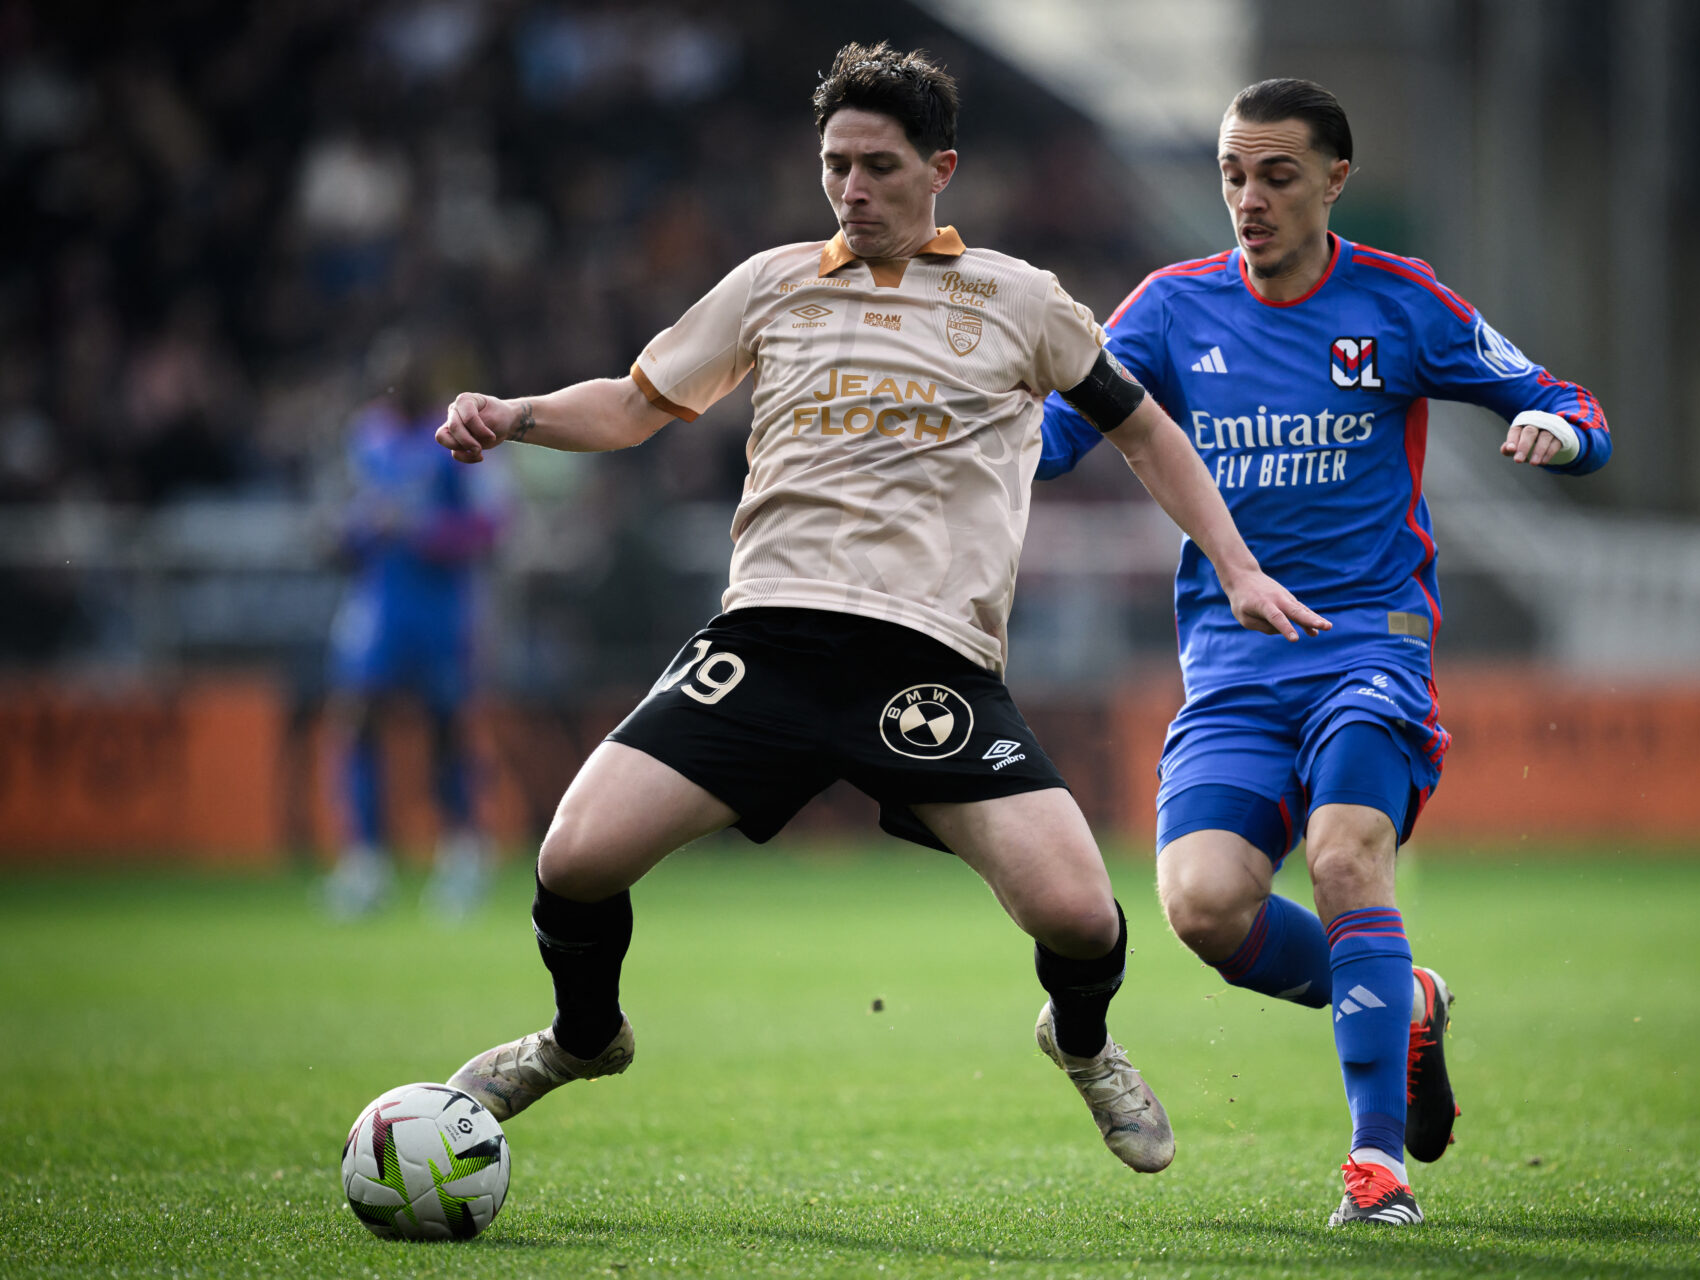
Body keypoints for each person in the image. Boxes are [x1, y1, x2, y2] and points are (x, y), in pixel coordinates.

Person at [430, 43, 1328, 1174]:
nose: (851, 189)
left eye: (877, 166)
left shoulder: (1020, 300)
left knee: (1082, 916)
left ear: (939, 168)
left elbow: (1146, 429)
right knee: (573, 855)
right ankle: (581, 1035)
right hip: (765, 635)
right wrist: (513, 413)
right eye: (834, 165)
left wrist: (1238, 567)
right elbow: (630, 404)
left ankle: (1084, 1041)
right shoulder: (772, 281)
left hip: (930, 661)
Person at [1037, 78, 1612, 1225]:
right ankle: (1405, 999)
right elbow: (1048, 441)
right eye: (1232, 176)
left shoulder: (1401, 303)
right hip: (1233, 665)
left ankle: (1376, 1165)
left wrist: (1559, 430)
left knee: (1349, 860)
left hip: (1370, 645)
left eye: (1277, 176)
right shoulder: (1165, 309)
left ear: (1336, 179)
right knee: (1201, 905)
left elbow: (1567, 400)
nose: (1248, 199)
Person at [323, 357, 507, 920]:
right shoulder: (365, 437)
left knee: (447, 731)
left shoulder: (454, 435)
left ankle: (462, 854)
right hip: (379, 609)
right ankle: (365, 861)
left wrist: (427, 533)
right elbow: (345, 520)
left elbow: (492, 525)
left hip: (441, 611)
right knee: (358, 722)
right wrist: (353, 531)